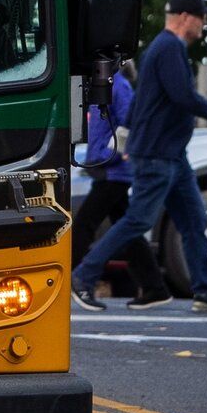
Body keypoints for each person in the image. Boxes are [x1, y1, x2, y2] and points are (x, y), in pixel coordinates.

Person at [71, 0, 207, 312]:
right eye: (202, 17)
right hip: (157, 155)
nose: (204, 24)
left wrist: (130, 140)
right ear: (185, 17)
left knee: (194, 220)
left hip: (171, 155)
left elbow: (142, 100)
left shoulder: (162, 48)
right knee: (138, 220)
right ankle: (83, 276)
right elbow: (184, 97)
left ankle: (206, 291)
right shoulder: (169, 48)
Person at [68, 63, 172, 311]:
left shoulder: (118, 85)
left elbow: (130, 122)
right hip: (110, 167)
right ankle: (154, 287)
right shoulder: (109, 83)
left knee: (85, 224)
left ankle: (73, 279)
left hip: (113, 169)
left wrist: (115, 154)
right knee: (128, 230)